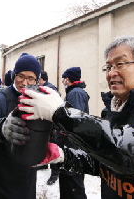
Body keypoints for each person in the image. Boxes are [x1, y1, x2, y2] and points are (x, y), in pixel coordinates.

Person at [17, 36, 134, 199]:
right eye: (108, 67)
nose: (111, 73)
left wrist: (61, 114)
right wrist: (64, 156)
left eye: (120, 64)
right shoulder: (113, 112)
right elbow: (107, 163)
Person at [0, 53, 41, 199]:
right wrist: (1, 128)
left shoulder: (40, 102)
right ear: (14, 76)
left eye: (30, 78)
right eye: (20, 76)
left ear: (37, 80)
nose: (24, 82)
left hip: (27, 176)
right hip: (0, 175)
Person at [47, 67, 89, 198]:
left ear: (68, 79)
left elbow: (74, 120)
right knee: (67, 184)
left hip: (72, 146)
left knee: (73, 187)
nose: (63, 82)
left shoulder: (76, 93)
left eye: (64, 79)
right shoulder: (74, 92)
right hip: (68, 145)